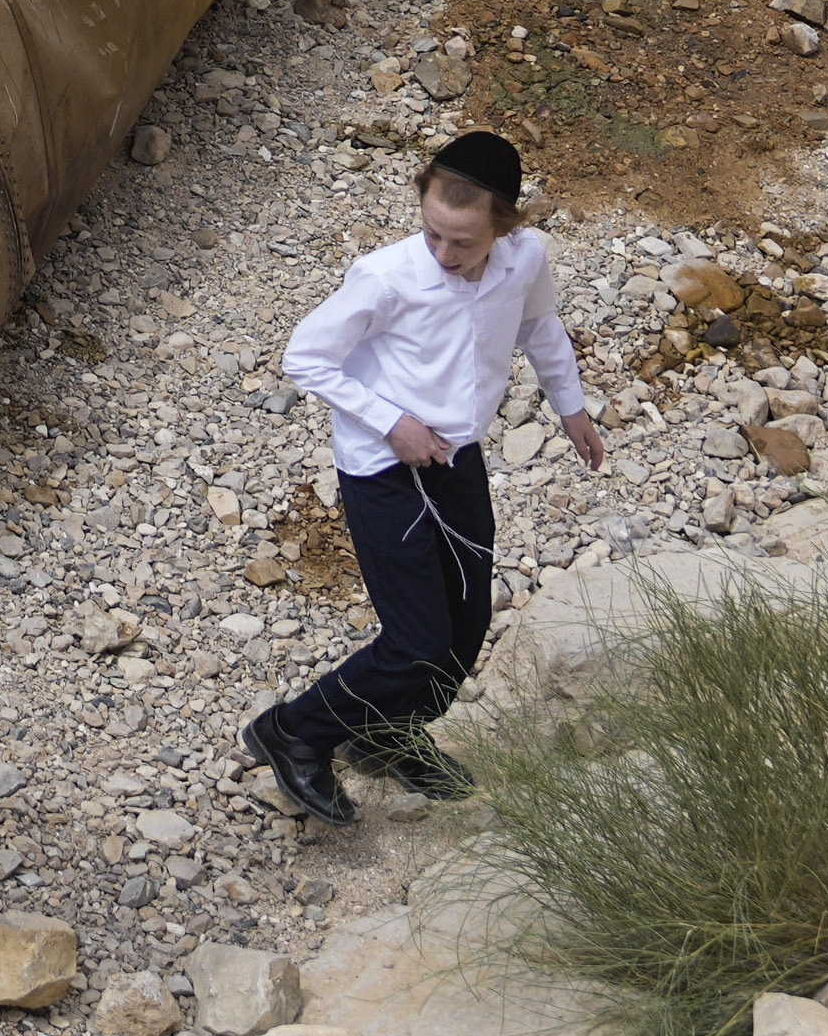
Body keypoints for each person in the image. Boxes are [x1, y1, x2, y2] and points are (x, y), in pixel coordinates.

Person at [246, 129, 604, 825]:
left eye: (462, 242)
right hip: (383, 468)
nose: (443, 253)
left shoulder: (525, 258)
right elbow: (304, 356)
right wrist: (390, 421)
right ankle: (294, 730)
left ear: (503, 227)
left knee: (465, 627)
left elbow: (538, 327)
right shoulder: (385, 276)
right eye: (433, 232)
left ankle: (387, 733)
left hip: (455, 459)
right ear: (423, 203)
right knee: (413, 640)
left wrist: (571, 408)